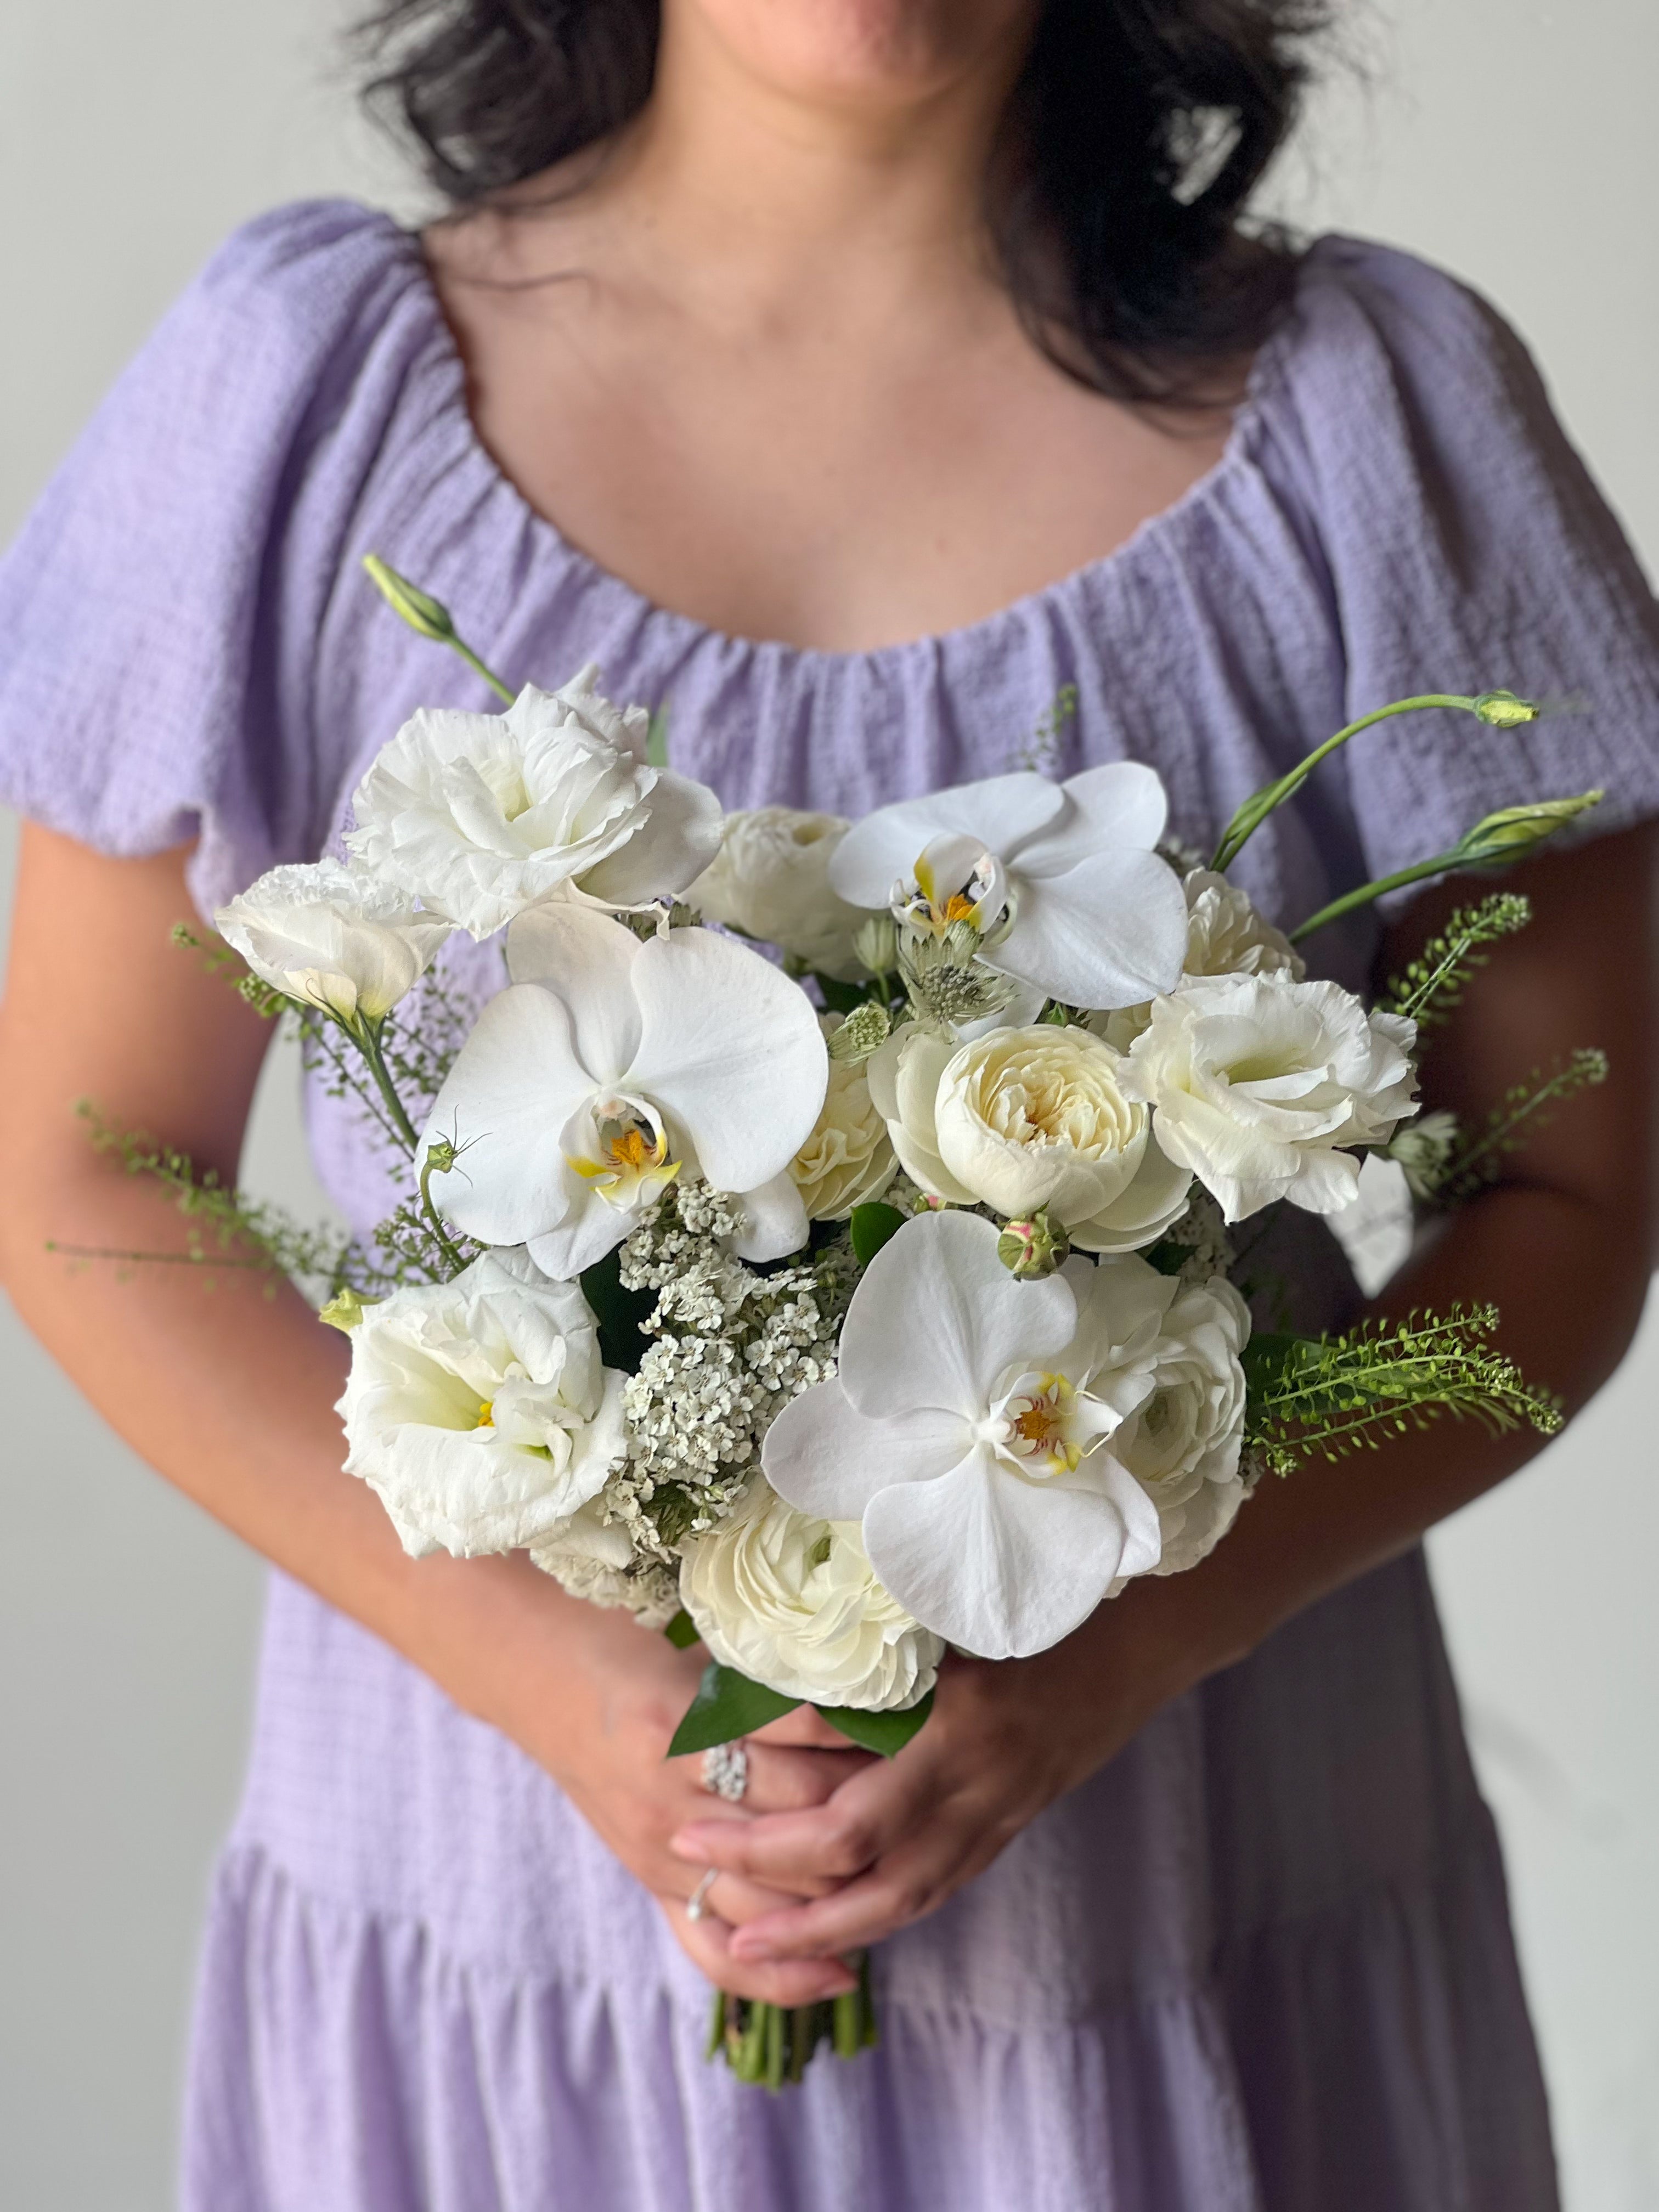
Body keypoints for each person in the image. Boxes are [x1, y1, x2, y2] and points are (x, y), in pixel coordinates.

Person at [1, 3, 1655, 2206]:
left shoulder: (1379, 419)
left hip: (1199, 1896)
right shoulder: (300, 399)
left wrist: (1130, 1639)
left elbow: (1571, 1191)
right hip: (499, 1927)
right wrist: (582, 1703)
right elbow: (81, 1182)